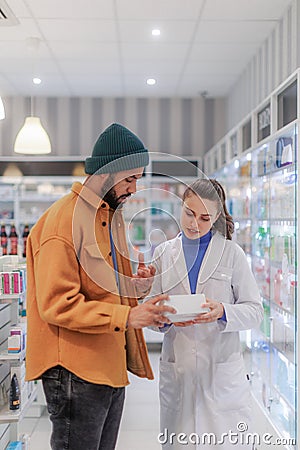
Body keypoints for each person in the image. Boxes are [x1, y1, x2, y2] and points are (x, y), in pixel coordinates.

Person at [25, 123, 176, 450]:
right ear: (107, 172)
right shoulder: (63, 221)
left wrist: (138, 286)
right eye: (130, 178)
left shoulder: (110, 215)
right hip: (74, 373)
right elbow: (57, 304)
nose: (135, 188)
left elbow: (107, 289)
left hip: (107, 364)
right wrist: (129, 317)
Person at [147, 178, 263, 450]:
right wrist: (162, 319)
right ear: (181, 206)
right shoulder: (164, 253)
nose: (194, 224)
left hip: (221, 373)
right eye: (189, 213)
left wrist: (223, 311)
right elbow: (150, 305)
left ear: (216, 218)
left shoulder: (232, 254)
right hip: (179, 370)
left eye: (204, 218)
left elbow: (255, 311)